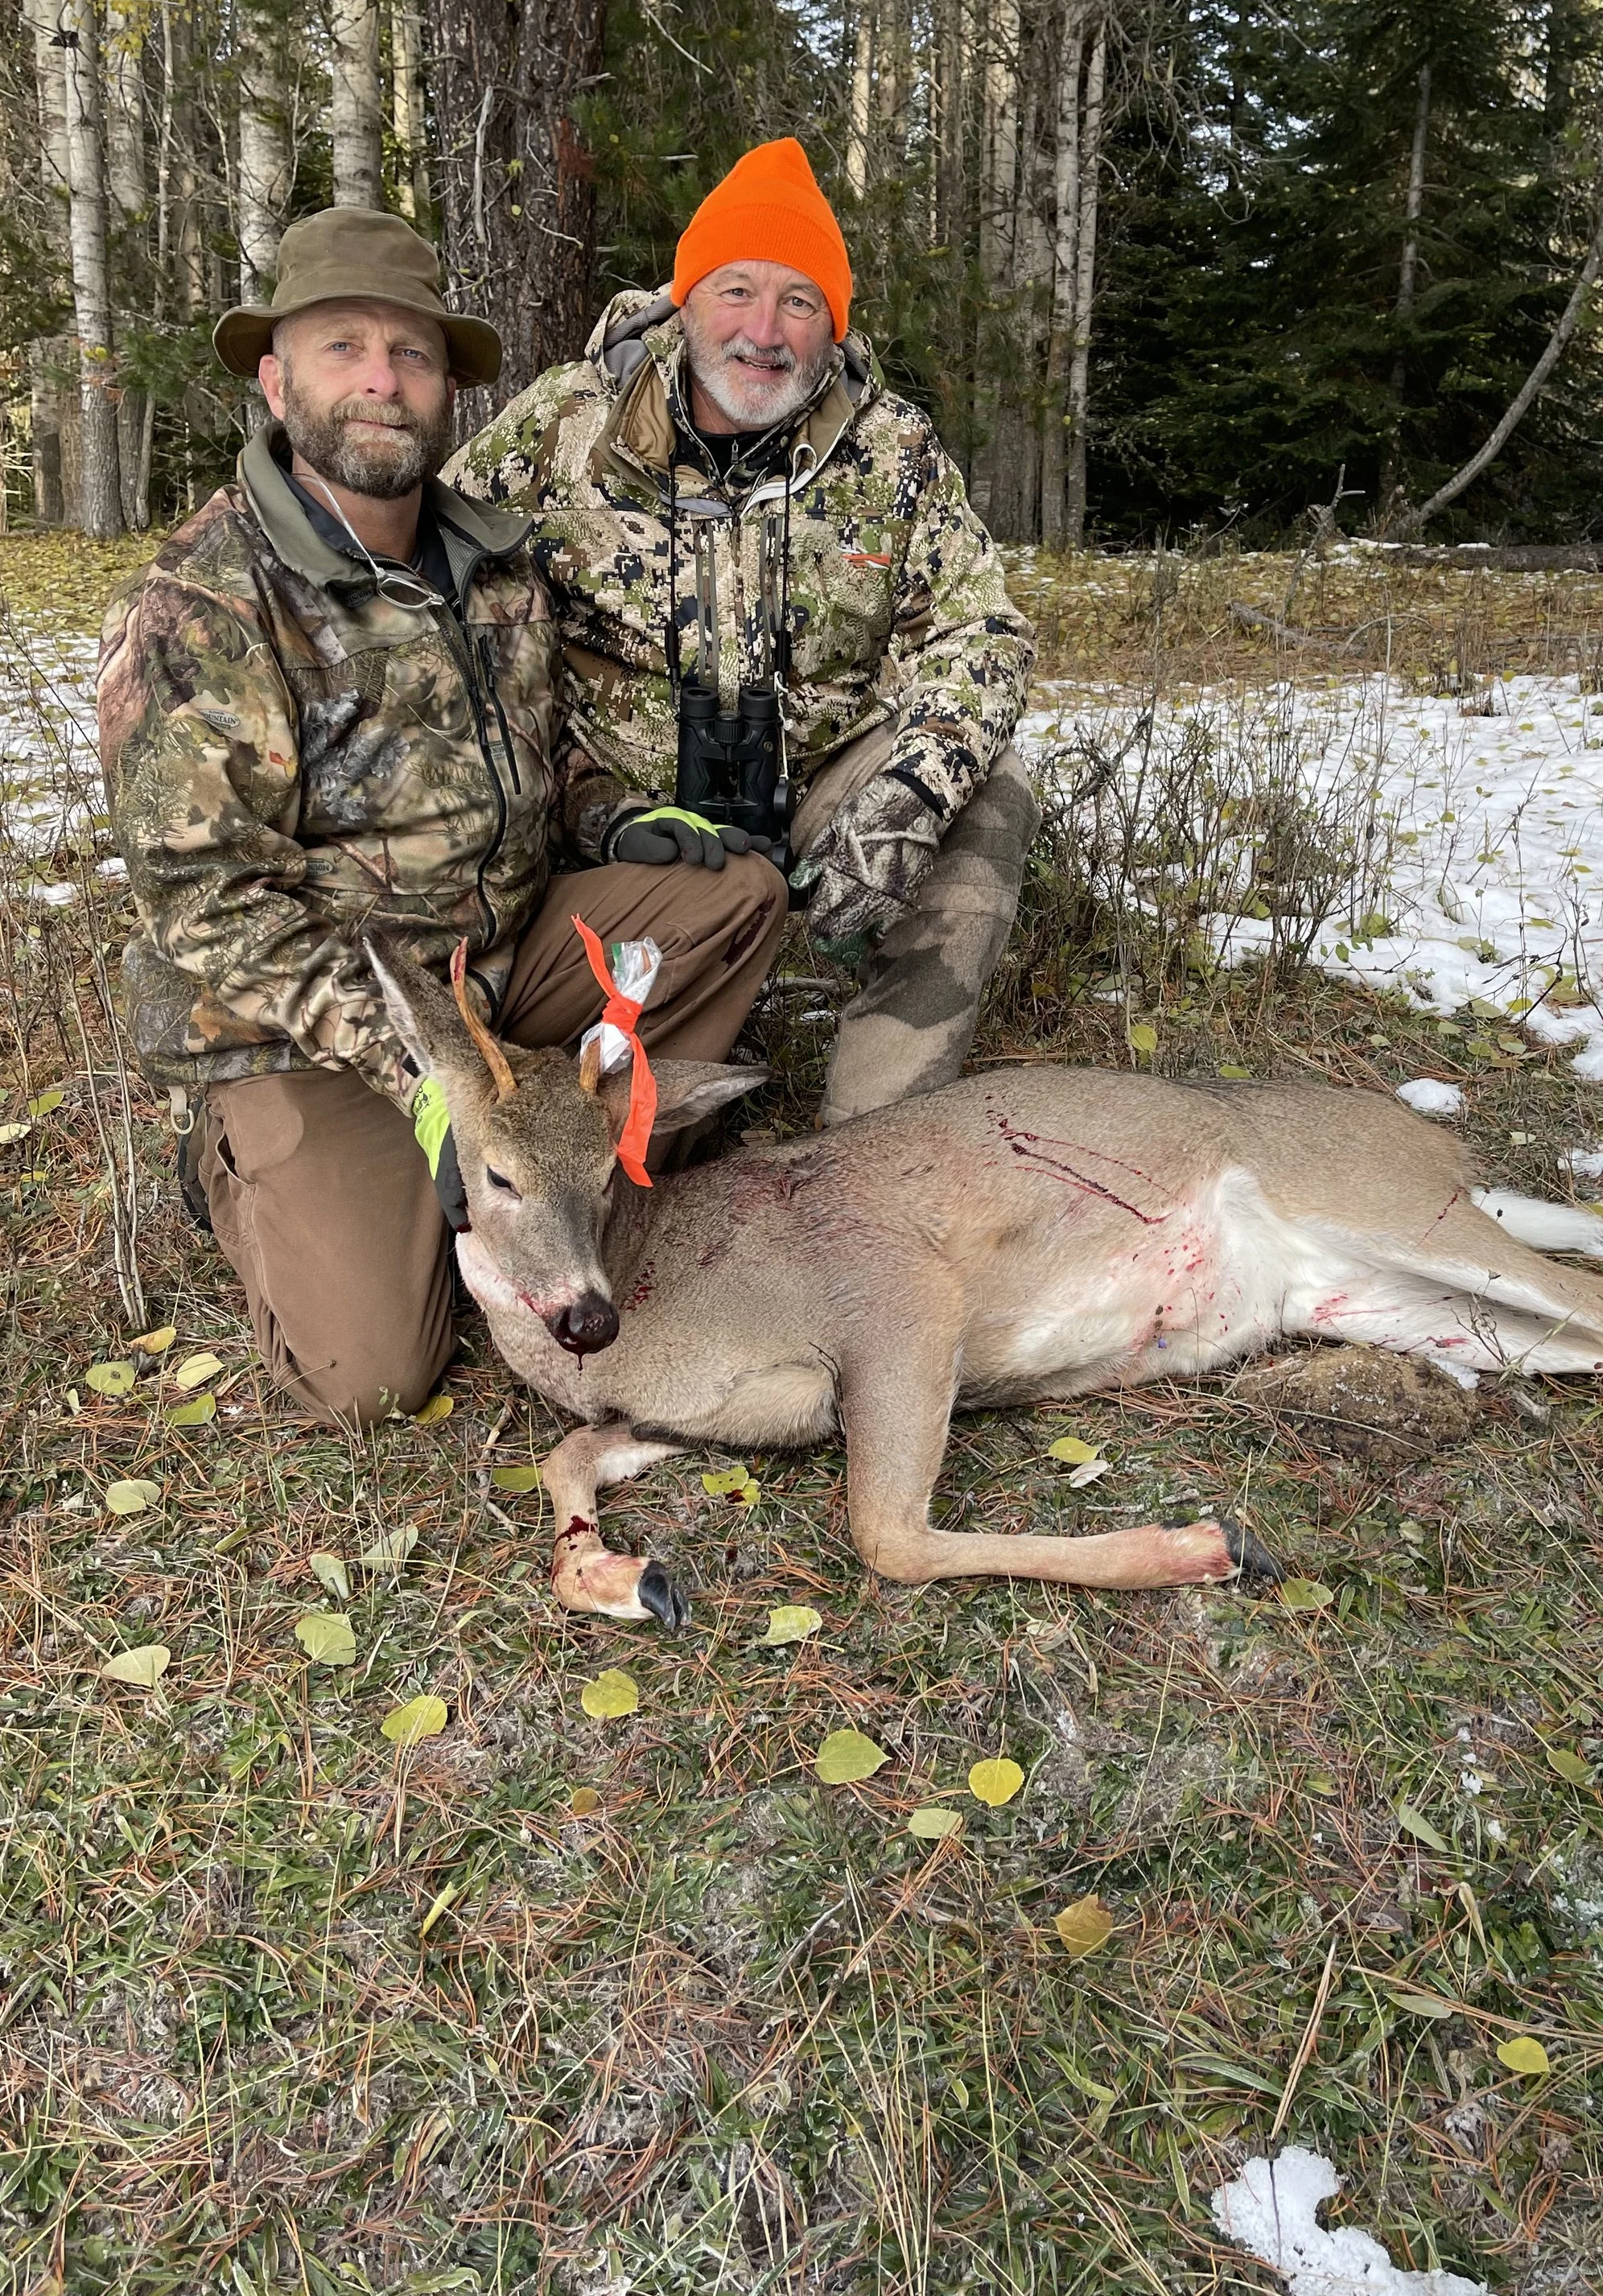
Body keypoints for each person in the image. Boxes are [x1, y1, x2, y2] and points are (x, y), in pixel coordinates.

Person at [97, 208, 789, 1422]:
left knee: (735, 899)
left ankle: (564, 1171)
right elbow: (206, 904)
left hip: (503, 969)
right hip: (310, 1028)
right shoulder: (199, 603)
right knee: (372, 1377)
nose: (381, 381)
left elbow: (542, 761)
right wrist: (434, 1085)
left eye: (411, 355)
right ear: (276, 378)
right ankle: (241, 1160)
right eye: (342, 349)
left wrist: (620, 821)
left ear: (450, 389)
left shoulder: (493, 563)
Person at [445, 138, 1036, 1125]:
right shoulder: (562, 425)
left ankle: (877, 1135)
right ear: (685, 300)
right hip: (605, 801)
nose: (764, 331)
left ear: (831, 325)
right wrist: (573, 793)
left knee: (989, 789)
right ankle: (496, 1074)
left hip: (807, 789)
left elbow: (983, 630)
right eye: (735, 291)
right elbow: (431, 584)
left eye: (799, 301)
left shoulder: (890, 451)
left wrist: (908, 791)